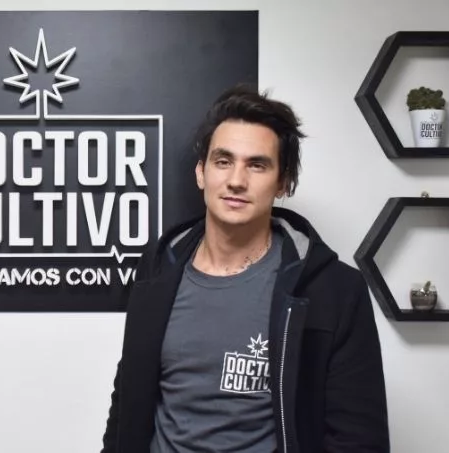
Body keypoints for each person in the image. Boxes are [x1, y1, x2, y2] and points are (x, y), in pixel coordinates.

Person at [101, 85, 389, 453]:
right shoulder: (159, 268)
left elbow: (359, 439)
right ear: (201, 172)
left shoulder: (333, 290)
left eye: (257, 165)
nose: (236, 180)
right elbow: (127, 398)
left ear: (283, 182)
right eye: (223, 161)